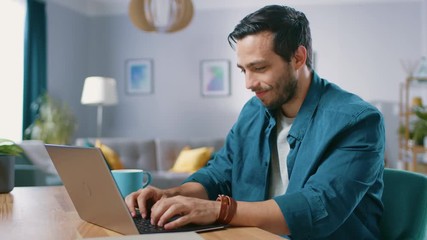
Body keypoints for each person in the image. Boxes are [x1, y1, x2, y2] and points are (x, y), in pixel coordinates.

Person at [125, 5, 385, 239]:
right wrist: (171, 195)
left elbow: (317, 207)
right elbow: (219, 173)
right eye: (243, 70)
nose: (249, 83)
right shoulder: (253, 111)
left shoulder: (359, 121)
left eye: (259, 68)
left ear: (298, 58)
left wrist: (219, 210)